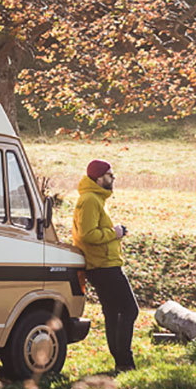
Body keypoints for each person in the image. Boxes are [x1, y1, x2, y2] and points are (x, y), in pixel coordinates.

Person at [73, 159, 137, 373]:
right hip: (103, 266)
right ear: (99, 178)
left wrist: (115, 233)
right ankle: (124, 360)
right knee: (129, 309)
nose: (113, 177)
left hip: (103, 264)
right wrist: (115, 233)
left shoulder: (95, 199)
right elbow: (87, 234)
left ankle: (122, 362)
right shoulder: (90, 200)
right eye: (110, 174)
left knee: (113, 312)